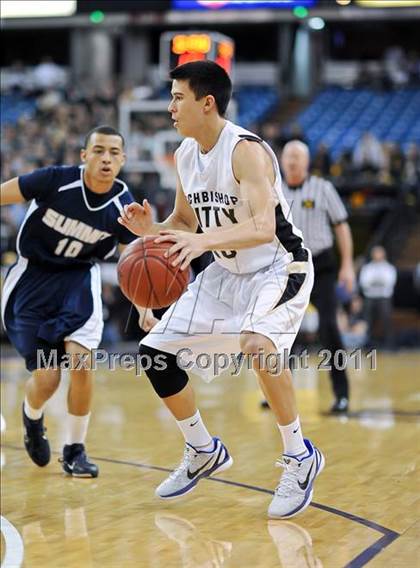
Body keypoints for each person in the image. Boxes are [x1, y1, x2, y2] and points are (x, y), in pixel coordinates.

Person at [118, 61, 324, 519]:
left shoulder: (246, 151)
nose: (170, 106)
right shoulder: (187, 154)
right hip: (225, 274)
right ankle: (202, 449)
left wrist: (199, 243)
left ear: (206, 102)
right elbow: (185, 224)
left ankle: (300, 456)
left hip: (277, 265)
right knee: (153, 354)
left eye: (177, 97)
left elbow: (262, 226)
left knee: (259, 345)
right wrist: (149, 230)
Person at [0, 125, 156, 477]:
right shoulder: (54, 180)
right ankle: (32, 415)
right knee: (48, 378)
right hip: (32, 282)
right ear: (84, 155)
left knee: (82, 364)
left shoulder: (123, 206)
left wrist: (145, 307)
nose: (106, 158)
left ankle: (74, 449)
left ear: (123, 160)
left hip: (78, 282)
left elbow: (136, 265)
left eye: (114, 153)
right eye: (98, 150)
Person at [280, 141, 355, 413]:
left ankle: (341, 394)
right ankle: (276, 394)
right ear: (282, 159)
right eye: (289, 156)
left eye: (298, 157)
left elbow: (342, 226)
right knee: (278, 333)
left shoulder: (323, 189)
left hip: (321, 266)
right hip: (287, 268)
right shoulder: (273, 189)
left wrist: (347, 265)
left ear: (307, 161)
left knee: (329, 329)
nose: (292, 161)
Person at [359, 246, 397, 350]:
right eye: (375, 253)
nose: (377, 255)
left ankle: (389, 344)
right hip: (370, 298)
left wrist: (374, 281)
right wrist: (379, 281)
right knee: (368, 321)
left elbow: (389, 282)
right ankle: (367, 344)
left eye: (379, 253)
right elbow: (364, 282)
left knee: (386, 320)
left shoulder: (389, 268)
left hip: (384, 298)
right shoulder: (367, 268)